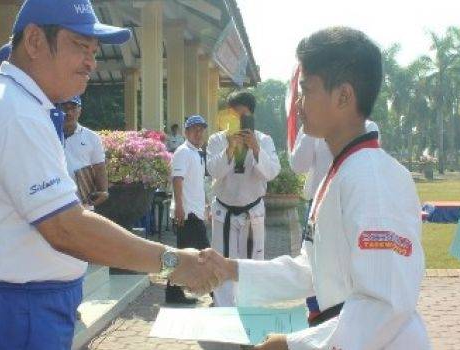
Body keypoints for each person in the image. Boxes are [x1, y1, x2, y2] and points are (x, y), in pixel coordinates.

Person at [0, 1, 219, 349]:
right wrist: (173, 262)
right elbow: (66, 228)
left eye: (94, 50)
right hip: (15, 312)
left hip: (20, 306)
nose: (91, 62)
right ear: (34, 41)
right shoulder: (14, 113)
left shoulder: (19, 105)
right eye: (80, 46)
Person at [200, 27, 430, 350]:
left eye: (305, 91)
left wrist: (291, 345)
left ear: (344, 96)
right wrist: (231, 268)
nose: (297, 104)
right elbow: (313, 269)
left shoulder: (373, 181)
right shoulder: (342, 171)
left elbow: (384, 306)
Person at [290, 116, 380, 322]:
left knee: (346, 267)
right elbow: (298, 165)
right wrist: (309, 127)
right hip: (317, 207)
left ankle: (347, 318)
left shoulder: (367, 127)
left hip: (351, 207)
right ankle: (317, 316)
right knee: (314, 264)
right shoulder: (311, 128)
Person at [206, 90, 280, 307]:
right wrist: (229, 149)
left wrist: (256, 149)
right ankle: (224, 311)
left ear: (252, 116)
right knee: (221, 262)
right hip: (224, 211)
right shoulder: (217, 140)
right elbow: (213, 171)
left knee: (253, 264)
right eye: (233, 115)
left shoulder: (264, 140)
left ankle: (250, 310)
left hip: (252, 211)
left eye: (243, 116)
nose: (238, 121)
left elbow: (272, 172)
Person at [166, 115, 212, 304]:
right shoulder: (183, 152)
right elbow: (178, 180)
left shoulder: (197, 153)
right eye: (194, 129)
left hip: (196, 211)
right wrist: (179, 207)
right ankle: (215, 293)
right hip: (187, 214)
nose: (198, 133)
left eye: (201, 129)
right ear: (186, 132)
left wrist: (206, 206)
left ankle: (173, 293)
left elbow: (198, 185)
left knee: (182, 255)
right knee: (202, 255)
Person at [60, 95, 109, 208]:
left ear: (80, 110)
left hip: (83, 201)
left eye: (73, 108)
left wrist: (103, 192)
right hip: (55, 202)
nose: (69, 112)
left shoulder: (92, 137)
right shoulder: (48, 134)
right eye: (64, 108)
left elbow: (99, 167)